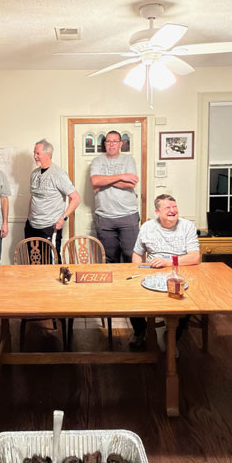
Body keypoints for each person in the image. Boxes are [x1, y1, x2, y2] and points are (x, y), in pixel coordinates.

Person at [130, 194, 200, 350]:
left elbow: (195, 257)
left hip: (181, 272)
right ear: (157, 212)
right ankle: (140, 331)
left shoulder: (187, 226)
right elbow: (137, 253)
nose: (173, 211)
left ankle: (171, 338)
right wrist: (137, 272)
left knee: (189, 300)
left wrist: (168, 262)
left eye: (175, 207)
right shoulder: (147, 227)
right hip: (152, 272)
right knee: (131, 295)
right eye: (168, 208)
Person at [25, 139, 80, 261]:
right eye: (34, 153)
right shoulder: (34, 174)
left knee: (51, 261)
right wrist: (29, 217)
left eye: (38, 153)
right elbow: (33, 197)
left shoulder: (58, 174)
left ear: (48, 154)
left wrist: (63, 218)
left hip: (49, 227)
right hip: (32, 225)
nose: (35, 156)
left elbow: (76, 198)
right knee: (33, 261)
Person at [89, 131, 140, 263]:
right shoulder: (97, 161)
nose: (111, 144)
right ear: (105, 143)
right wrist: (122, 176)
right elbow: (95, 181)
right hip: (104, 217)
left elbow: (130, 184)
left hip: (128, 215)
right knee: (110, 258)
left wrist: (104, 180)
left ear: (120, 144)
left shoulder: (128, 160)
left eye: (115, 141)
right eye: (108, 141)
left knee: (130, 255)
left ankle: (130, 278)